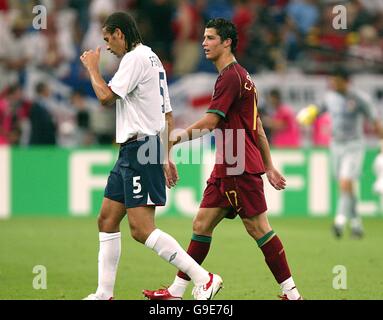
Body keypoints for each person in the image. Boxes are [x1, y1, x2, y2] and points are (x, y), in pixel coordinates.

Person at [143, 18, 302, 300]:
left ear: (227, 42)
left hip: (237, 163)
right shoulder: (243, 77)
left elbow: (212, 121)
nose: (204, 43)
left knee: (258, 228)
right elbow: (259, 126)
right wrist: (268, 165)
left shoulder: (231, 76)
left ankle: (291, 293)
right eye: (204, 37)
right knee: (201, 225)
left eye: (211, 38)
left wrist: (173, 139)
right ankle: (177, 291)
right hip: (229, 163)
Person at [80, 11, 223, 300]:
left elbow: (107, 98)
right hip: (135, 149)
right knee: (107, 219)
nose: (107, 46)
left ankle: (203, 278)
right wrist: (166, 155)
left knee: (141, 229)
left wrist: (93, 70)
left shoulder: (134, 59)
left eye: (108, 39)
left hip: (140, 148)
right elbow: (167, 113)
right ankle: (104, 293)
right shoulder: (153, 59)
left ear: (120, 33)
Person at [297, 68, 383, 239]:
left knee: (345, 183)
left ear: (345, 81)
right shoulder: (330, 97)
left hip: (354, 145)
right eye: (332, 81)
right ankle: (357, 223)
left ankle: (339, 221)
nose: (333, 84)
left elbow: (375, 121)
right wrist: (309, 113)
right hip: (336, 144)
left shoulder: (359, 99)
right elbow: (317, 109)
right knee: (344, 185)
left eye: (336, 81)